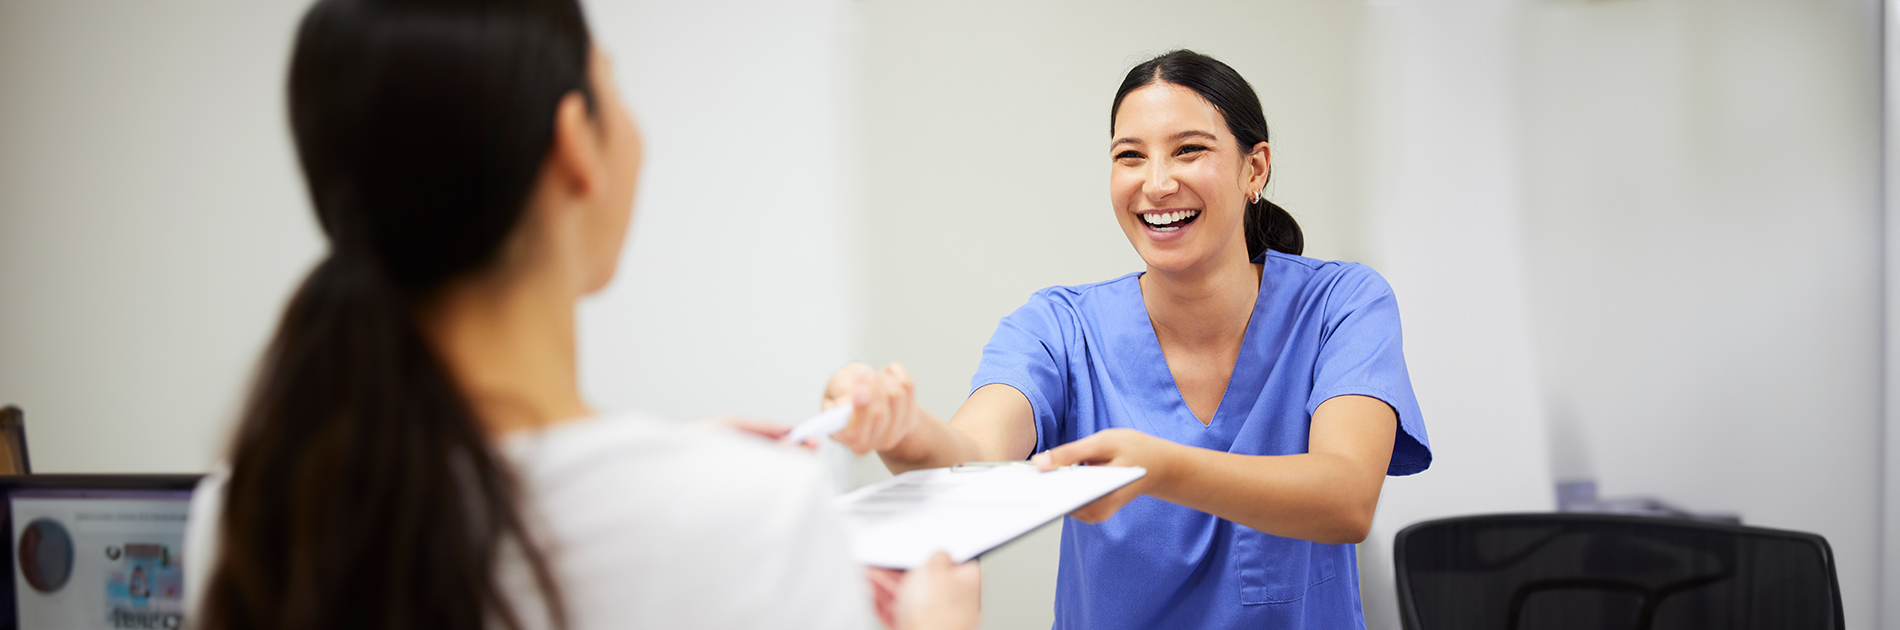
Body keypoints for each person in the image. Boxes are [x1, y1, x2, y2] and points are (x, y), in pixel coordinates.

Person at [178, 1, 978, 629]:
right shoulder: (754, 517)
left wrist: (667, 459)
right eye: (612, 84)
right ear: (574, 145)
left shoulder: (252, 516)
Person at [821, 50, 1431, 629]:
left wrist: (1160, 468)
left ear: (1256, 168)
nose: (1157, 183)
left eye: (1189, 150)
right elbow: (971, 458)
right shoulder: (1060, 327)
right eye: (1130, 156)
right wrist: (901, 428)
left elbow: (1346, 497)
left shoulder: (1341, 306)